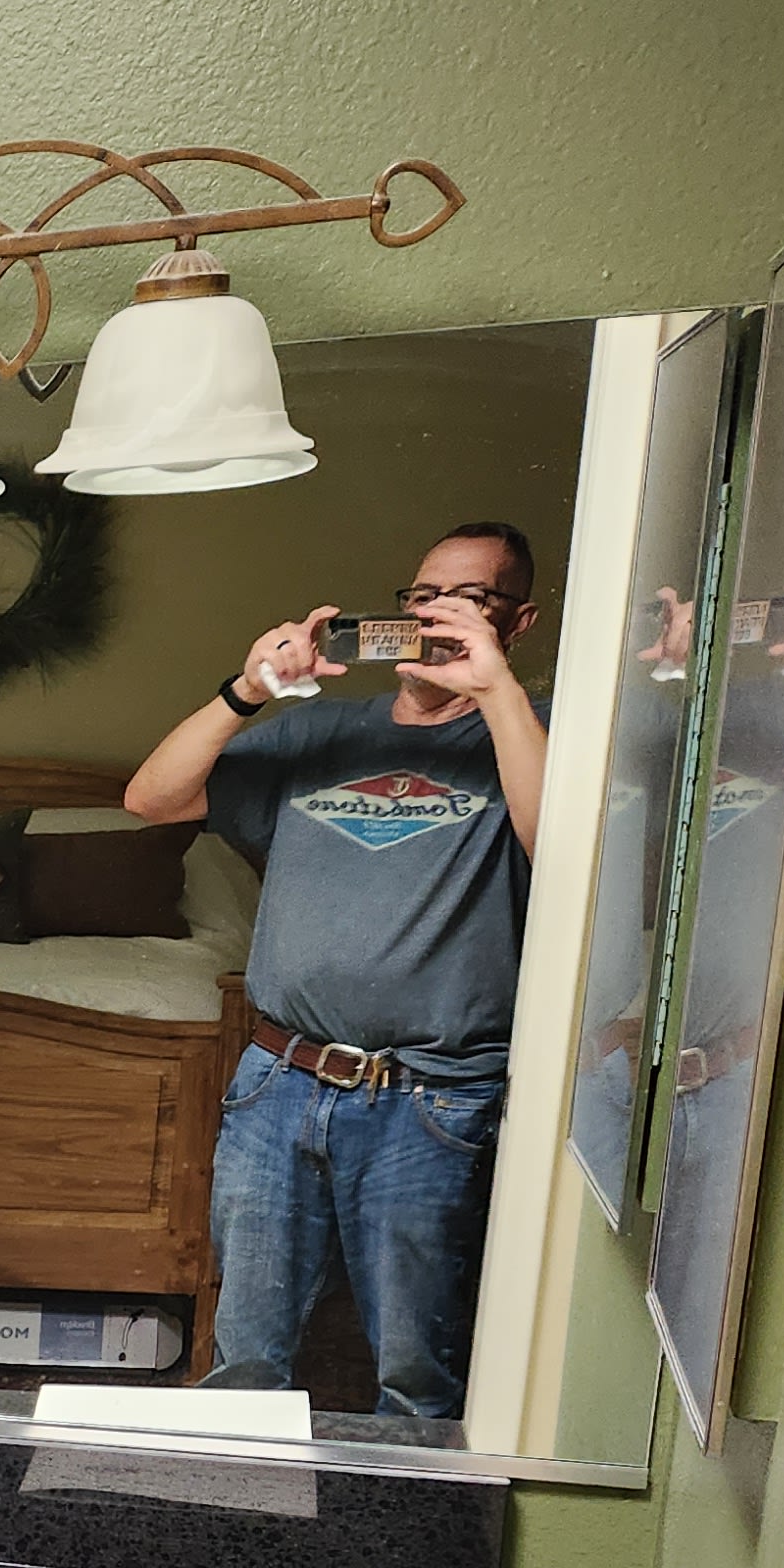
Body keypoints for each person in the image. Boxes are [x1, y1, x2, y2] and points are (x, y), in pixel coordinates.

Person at [121, 525, 548, 1418]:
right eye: (423, 594)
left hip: (432, 1099)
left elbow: (562, 844)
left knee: (420, 1381)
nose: (435, 613)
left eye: (469, 598)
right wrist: (248, 691)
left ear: (517, 622)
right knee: (243, 1366)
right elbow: (150, 800)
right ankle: (240, 1508)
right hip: (278, 1083)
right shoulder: (316, 732)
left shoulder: (531, 734)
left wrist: (497, 690)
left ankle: (404, 1515)